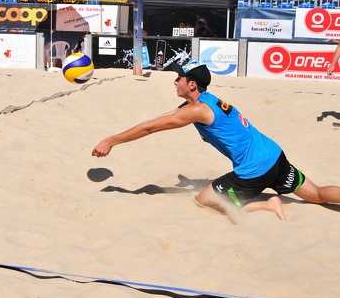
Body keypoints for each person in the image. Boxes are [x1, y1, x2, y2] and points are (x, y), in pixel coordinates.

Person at [92, 60, 340, 221]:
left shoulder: (198, 110)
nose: (174, 81)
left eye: (179, 78)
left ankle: (268, 204)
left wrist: (111, 140)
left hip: (254, 171)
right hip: (274, 155)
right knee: (317, 194)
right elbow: (167, 117)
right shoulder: (208, 100)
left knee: (204, 201)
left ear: (191, 84)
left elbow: (149, 128)